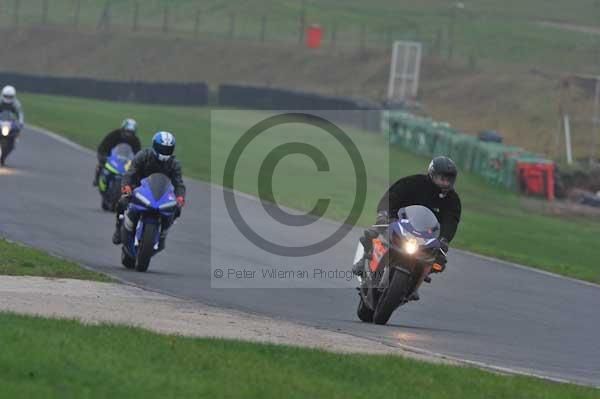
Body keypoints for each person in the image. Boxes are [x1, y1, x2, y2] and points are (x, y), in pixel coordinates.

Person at [353, 156, 462, 301]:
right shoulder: (413, 182)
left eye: (448, 179)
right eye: (442, 178)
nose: (445, 182)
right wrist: (384, 214)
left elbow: (451, 221)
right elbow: (392, 196)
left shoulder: (452, 200)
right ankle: (361, 262)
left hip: (426, 235)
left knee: (439, 260)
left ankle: (415, 282)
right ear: (432, 174)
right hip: (398, 222)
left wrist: (444, 239)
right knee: (372, 232)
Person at [112, 131, 186, 250]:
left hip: (162, 194)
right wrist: (127, 186)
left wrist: (180, 197)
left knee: (176, 210)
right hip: (139, 189)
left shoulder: (174, 164)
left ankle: (162, 234)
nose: (164, 152)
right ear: (155, 146)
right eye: (162, 148)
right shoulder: (143, 156)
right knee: (122, 202)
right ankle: (118, 228)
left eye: (168, 149)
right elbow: (130, 172)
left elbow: (179, 184)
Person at [93, 118, 141, 186]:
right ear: (122, 129)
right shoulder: (114, 134)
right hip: (110, 156)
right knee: (100, 165)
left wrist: (137, 163)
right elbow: (103, 146)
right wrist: (103, 156)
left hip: (126, 160)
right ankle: (97, 179)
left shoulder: (136, 141)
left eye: (131, 133)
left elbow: (138, 154)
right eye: (127, 131)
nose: (128, 134)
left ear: (134, 133)